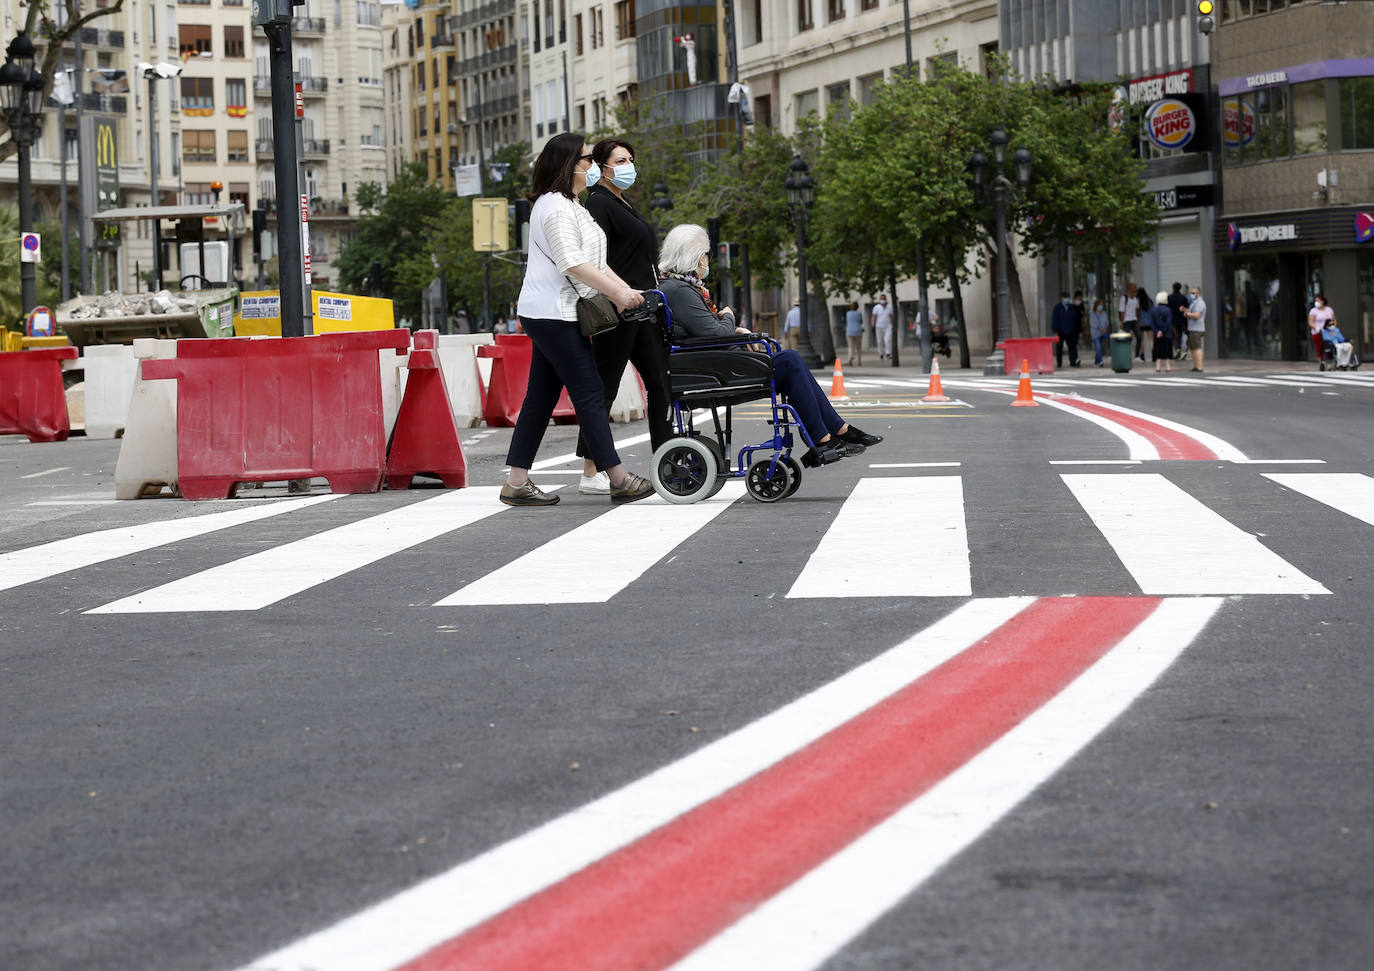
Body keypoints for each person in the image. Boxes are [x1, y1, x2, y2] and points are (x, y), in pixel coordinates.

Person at [500, 132, 654, 507]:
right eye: (585, 159)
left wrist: (628, 292)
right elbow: (571, 262)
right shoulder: (553, 207)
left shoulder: (572, 205)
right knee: (588, 391)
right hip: (551, 313)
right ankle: (617, 477)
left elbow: (596, 262)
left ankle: (517, 482)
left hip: (556, 312)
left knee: (541, 396)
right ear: (568, 165)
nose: (591, 165)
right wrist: (618, 294)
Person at [657, 223, 882, 467]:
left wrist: (734, 328)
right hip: (714, 367)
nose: (707, 261)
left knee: (790, 363)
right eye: (705, 255)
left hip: (714, 361)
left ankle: (834, 433)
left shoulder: (679, 288)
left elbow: (708, 331)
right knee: (790, 361)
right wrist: (730, 316)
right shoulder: (679, 290)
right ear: (694, 257)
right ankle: (828, 436)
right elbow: (713, 332)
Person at [572, 137, 673, 495]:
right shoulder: (598, 203)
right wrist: (619, 294)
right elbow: (597, 259)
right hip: (618, 309)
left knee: (661, 384)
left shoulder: (621, 201)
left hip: (643, 308)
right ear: (602, 166)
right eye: (621, 159)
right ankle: (591, 471)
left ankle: (668, 458)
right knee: (605, 387)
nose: (629, 165)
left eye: (631, 158)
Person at [1051, 291, 1080, 368]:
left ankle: (1073, 362)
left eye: (1068, 297)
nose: (1067, 299)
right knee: (1059, 348)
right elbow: (1054, 320)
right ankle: (1059, 363)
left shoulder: (1071, 307)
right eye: (1065, 297)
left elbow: (1075, 319)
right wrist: (1055, 331)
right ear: (1062, 298)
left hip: (1070, 331)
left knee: (1072, 347)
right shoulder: (1057, 308)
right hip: (1060, 331)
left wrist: (1074, 329)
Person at [1183, 283, 1208, 372]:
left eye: (1194, 293)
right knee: (1193, 348)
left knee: (1197, 347)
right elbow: (1190, 311)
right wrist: (1185, 310)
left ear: (1198, 293)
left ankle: (1199, 366)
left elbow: (1197, 315)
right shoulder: (1194, 302)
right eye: (1191, 293)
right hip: (1192, 328)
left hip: (1197, 329)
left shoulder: (1200, 303)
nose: (1192, 294)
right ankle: (1196, 366)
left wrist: (1187, 314)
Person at [1150, 290, 1174, 372]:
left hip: (1157, 335)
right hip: (1167, 334)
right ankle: (1168, 367)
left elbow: (1152, 323)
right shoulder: (1168, 310)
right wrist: (1163, 331)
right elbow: (1168, 322)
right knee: (1167, 350)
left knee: (1158, 350)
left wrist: (1158, 332)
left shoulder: (1153, 310)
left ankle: (1158, 367)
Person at [1119, 281, 1142, 360]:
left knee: (1139, 337)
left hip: (1134, 320)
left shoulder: (1136, 299)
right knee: (1126, 339)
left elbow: (1137, 310)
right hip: (1126, 321)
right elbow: (1122, 311)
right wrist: (1122, 322)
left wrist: (1138, 321)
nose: (1136, 289)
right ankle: (1125, 354)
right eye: (1134, 287)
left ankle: (1137, 355)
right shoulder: (1124, 298)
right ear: (1130, 288)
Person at [1167, 282, 1189, 360]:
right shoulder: (1184, 298)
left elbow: (1168, 309)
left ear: (1173, 288)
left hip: (1172, 320)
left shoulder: (1169, 297)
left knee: (1173, 336)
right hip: (1182, 320)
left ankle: (1177, 350)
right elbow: (1186, 309)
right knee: (1179, 335)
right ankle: (1180, 350)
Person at [1089, 296, 1110, 366]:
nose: (1101, 306)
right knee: (1098, 347)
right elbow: (1093, 324)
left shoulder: (1104, 313)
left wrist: (1105, 329)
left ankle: (1096, 362)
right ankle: (1100, 361)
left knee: (1099, 348)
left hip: (1103, 334)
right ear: (1096, 305)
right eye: (1100, 305)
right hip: (1095, 334)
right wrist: (1100, 329)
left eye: (1102, 305)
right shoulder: (1092, 314)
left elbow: (1107, 322)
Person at [871, 293, 893, 359]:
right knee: (879, 341)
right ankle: (881, 353)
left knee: (887, 340)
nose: (883, 300)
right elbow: (874, 316)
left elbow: (891, 316)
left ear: (886, 299)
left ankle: (888, 353)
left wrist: (893, 324)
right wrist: (873, 324)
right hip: (879, 326)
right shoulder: (876, 307)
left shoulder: (890, 307)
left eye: (884, 299)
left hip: (888, 326)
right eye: (881, 299)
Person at [845, 300, 864, 365]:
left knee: (850, 346)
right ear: (857, 307)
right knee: (858, 347)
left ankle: (850, 357)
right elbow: (861, 322)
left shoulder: (848, 313)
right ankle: (859, 361)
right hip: (858, 331)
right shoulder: (859, 313)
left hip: (849, 331)